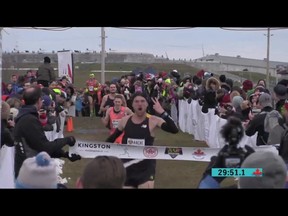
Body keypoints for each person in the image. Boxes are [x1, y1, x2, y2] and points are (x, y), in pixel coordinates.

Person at [106, 92, 179, 188]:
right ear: (132, 104)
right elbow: (111, 140)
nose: (139, 104)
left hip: (146, 168)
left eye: (142, 101)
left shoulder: (153, 120)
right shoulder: (124, 120)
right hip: (127, 166)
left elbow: (174, 130)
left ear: (147, 104)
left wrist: (162, 112)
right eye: (136, 101)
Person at [13, 86, 81, 178]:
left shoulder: (27, 117)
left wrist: (65, 154)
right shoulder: (29, 120)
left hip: (27, 170)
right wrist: (67, 140)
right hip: (29, 174)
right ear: (38, 101)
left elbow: (38, 146)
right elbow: (45, 147)